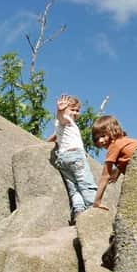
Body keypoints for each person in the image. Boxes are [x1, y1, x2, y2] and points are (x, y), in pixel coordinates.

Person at [47, 94, 97, 224]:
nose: (75, 113)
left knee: (74, 188)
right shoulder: (65, 119)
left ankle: (78, 211)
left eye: (77, 110)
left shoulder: (62, 125)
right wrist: (60, 110)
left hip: (63, 159)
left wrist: (45, 142)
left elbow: (54, 136)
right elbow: (62, 118)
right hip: (75, 156)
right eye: (72, 109)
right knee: (86, 184)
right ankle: (94, 208)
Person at [91, 115, 137, 211]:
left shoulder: (113, 146)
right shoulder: (126, 141)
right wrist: (118, 170)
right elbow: (129, 156)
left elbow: (105, 176)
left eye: (103, 136)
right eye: (97, 138)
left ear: (112, 131)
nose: (100, 141)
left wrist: (97, 202)